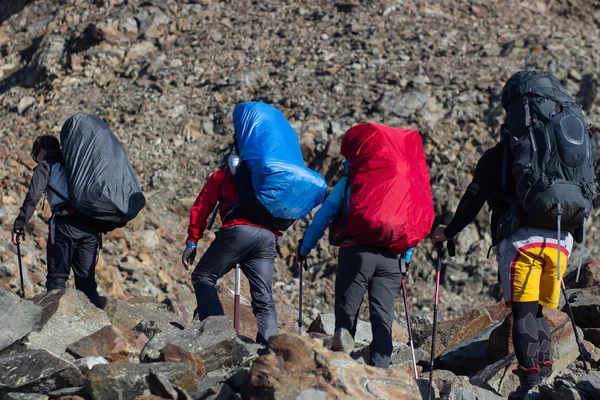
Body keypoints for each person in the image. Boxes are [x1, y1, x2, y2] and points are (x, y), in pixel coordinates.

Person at [432, 134, 572, 398]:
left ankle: (530, 381)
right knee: (539, 310)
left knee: (524, 313)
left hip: (522, 241)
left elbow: (474, 196)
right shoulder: (554, 150)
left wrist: (449, 231)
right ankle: (544, 373)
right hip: (561, 239)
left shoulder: (499, 156)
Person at [296, 160, 413, 368]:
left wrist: (305, 248)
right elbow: (409, 224)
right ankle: (381, 374)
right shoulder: (396, 186)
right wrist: (405, 260)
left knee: (347, 316)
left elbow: (323, 216)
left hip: (356, 254)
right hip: (390, 259)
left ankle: (342, 370)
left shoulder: (351, 180)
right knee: (383, 321)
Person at [182, 152, 279, 344]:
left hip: (238, 232)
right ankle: (269, 346)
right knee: (264, 297)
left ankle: (216, 337)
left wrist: (192, 241)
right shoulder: (264, 177)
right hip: (268, 237)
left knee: (203, 276)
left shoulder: (222, 176)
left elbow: (202, 207)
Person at [12, 135, 103, 308]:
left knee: (57, 279)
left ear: (41, 151)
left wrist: (19, 226)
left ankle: (53, 328)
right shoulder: (75, 165)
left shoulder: (46, 165)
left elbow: (33, 197)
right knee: (86, 283)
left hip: (65, 226)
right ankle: (100, 328)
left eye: (35, 156)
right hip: (90, 226)